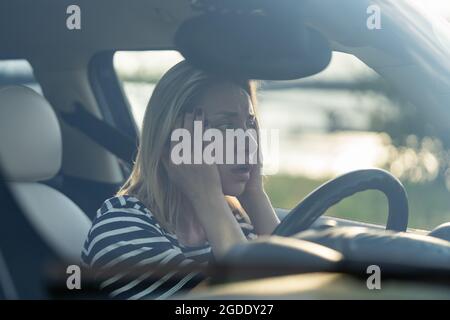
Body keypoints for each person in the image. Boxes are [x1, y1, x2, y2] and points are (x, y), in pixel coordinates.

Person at [81, 60, 280, 299]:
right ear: (174, 142)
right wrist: (206, 196)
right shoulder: (120, 226)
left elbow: (304, 287)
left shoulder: (236, 220)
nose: (250, 143)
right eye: (226, 125)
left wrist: (255, 193)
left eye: (250, 124)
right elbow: (248, 302)